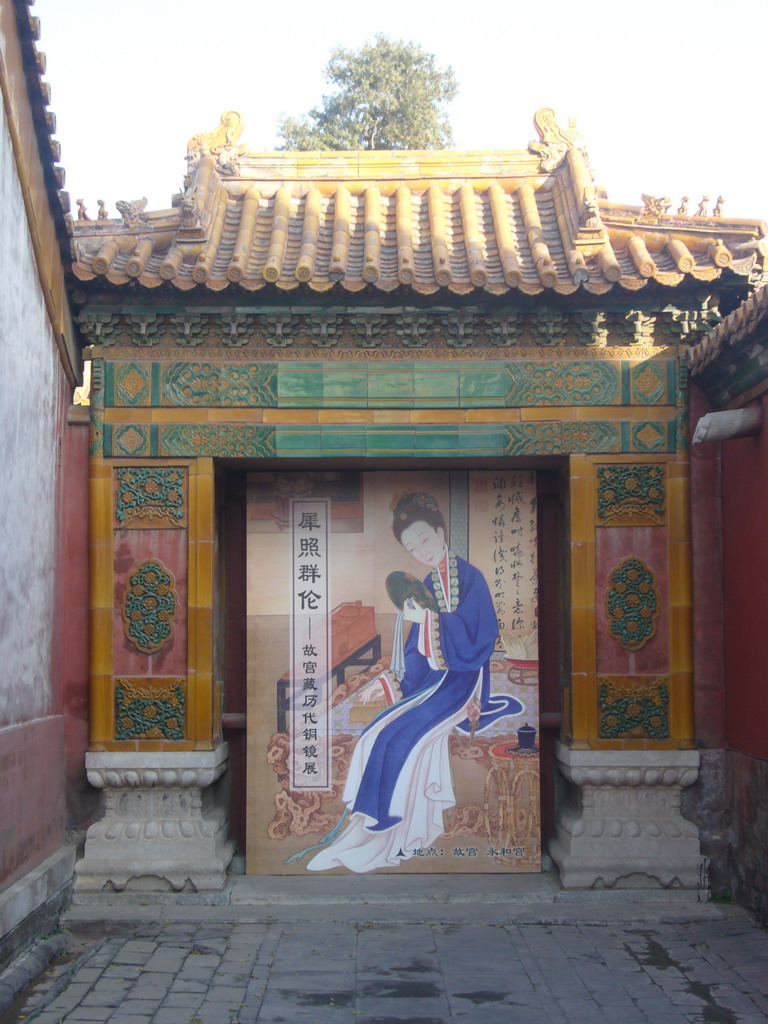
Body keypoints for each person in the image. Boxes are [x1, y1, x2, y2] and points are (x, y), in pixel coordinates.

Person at [306, 491, 504, 873]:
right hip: (432, 680)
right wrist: (395, 679)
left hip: (463, 681)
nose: (422, 551)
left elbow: (481, 639)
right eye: (413, 548)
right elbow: (416, 650)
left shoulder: (471, 577)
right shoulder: (427, 582)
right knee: (377, 734)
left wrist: (430, 621)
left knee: (407, 742)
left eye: (425, 540)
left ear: (442, 532)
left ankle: (397, 836)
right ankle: (363, 830)